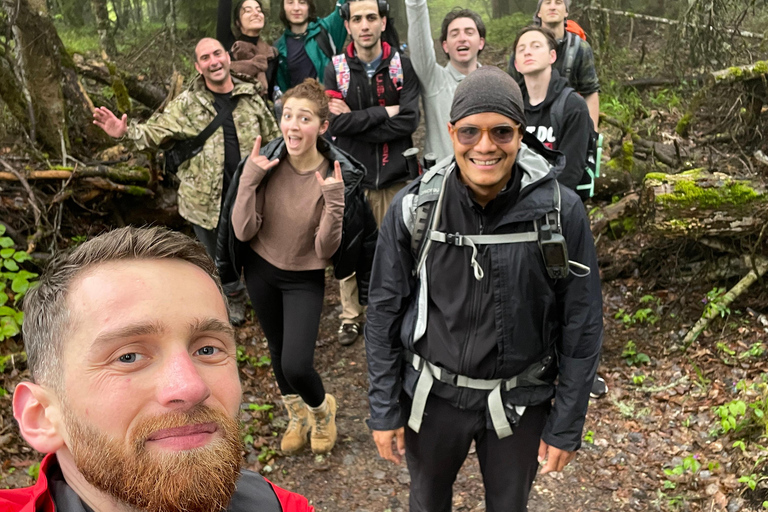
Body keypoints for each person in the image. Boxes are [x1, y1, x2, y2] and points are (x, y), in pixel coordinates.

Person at [365, 67, 603, 511]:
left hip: (521, 399)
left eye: (501, 132)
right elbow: (382, 311)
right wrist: (383, 407)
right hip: (432, 396)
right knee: (427, 503)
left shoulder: (559, 211)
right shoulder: (415, 208)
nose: (485, 146)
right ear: (452, 131)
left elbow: (582, 322)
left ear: (520, 133)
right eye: (470, 131)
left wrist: (567, 422)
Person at [1, 226, 314, 512]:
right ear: (41, 416)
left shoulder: (283, 507)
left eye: (207, 349)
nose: (191, 387)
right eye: (128, 357)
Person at [219, 79, 376, 455]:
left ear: (322, 127)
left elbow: (325, 248)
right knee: (276, 351)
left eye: (304, 118)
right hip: (260, 268)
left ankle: (322, 411)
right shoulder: (264, 165)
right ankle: (297, 415)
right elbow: (242, 229)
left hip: (304, 277)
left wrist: (334, 202)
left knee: (297, 363)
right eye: (287, 115)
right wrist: (248, 180)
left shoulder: (336, 176)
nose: (292, 125)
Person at [93, 37, 279, 326]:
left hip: (252, 193)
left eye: (217, 54)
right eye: (205, 57)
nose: (213, 61)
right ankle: (233, 298)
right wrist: (124, 133)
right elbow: (154, 133)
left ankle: (266, 294)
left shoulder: (251, 97)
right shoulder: (187, 104)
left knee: (259, 247)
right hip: (204, 198)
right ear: (197, 66)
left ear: (228, 58)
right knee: (220, 256)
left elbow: (273, 140)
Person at [323, 0, 420, 346]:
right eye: (357, 18)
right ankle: (351, 316)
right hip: (353, 177)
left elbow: (409, 120)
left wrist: (358, 121)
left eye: (371, 18)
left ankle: (399, 309)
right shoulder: (335, 69)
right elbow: (336, 125)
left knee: (399, 247)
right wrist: (384, 112)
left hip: (395, 175)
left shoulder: (401, 66)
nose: (364, 25)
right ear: (347, 25)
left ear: (382, 22)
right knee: (348, 248)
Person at [514, 26, 591, 193]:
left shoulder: (573, 106)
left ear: (552, 56)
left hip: (557, 203)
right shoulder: (511, 107)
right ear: (516, 64)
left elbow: (570, 172)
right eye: (521, 49)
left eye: (536, 46)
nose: (528, 52)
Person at [404, 3, 485, 162]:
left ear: (481, 42)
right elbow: (419, 38)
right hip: (442, 180)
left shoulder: (495, 85)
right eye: (454, 34)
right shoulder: (434, 80)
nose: (462, 38)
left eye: (469, 32)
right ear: (445, 46)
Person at [508, 0, 600, 129]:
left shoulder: (580, 48)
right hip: (530, 122)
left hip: (568, 121)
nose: (552, 7)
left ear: (566, 11)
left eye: (558, 2)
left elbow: (590, 92)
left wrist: (592, 133)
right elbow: (511, 92)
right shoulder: (523, 51)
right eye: (547, 3)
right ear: (538, 12)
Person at [275, 0, 348, 95]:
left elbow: (342, 6)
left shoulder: (326, 29)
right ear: (283, 8)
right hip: (299, 106)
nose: (296, 8)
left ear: (309, 6)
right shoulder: (279, 48)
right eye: (290, 2)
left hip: (329, 102)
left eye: (302, 2)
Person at [217, 0, 278, 99]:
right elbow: (224, 8)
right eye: (248, 11)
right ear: (238, 22)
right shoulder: (231, 47)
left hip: (263, 111)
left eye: (259, 10)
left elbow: (272, 93)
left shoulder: (271, 54)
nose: (256, 13)